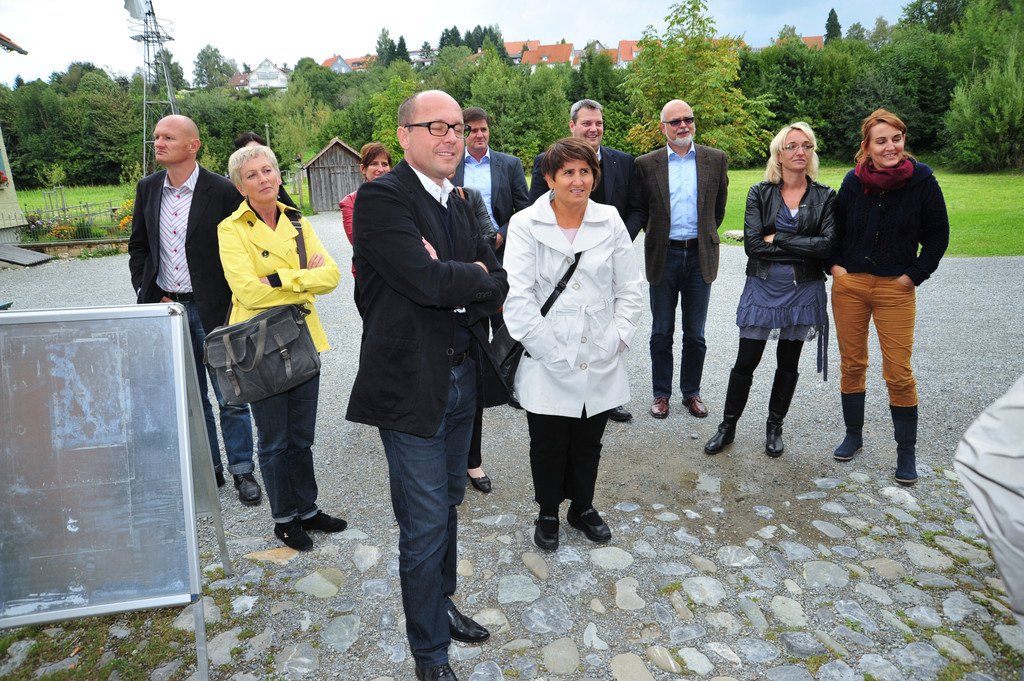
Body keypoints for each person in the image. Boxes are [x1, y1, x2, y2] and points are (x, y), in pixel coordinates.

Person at [346, 90, 508, 681]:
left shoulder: (459, 202)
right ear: (405, 134)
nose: (451, 137)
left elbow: (497, 282)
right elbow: (427, 281)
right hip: (410, 386)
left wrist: (462, 275)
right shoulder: (382, 198)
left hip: (462, 375)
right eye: (436, 126)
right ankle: (430, 655)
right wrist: (469, 275)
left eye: (457, 127)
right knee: (423, 522)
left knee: (450, 503)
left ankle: (441, 604)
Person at [505, 137, 643, 552]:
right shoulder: (525, 224)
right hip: (545, 350)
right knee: (547, 442)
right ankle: (548, 511)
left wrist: (618, 337)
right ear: (549, 178)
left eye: (585, 171)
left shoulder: (610, 219)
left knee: (588, 441)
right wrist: (548, 351)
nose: (578, 180)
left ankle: (582, 507)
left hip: (600, 346)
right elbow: (518, 298)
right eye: (568, 172)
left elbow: (630, 288)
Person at [128, 114, 262, 507]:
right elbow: (139, 246)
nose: (158, 143)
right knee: (191, 398)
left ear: (193, 145)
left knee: (230, 394)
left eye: (168, 137)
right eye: (156, 137)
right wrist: (149, 292)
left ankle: (243, 471)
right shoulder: (148, 188)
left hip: (214, 309)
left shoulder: (221, 191)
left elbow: (245, 246)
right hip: (167, 310)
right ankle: (209, 468)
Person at [218, 144, 346, 551]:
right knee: (274, 439)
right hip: (260, 347)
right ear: (241, 186)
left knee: (302, 437)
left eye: (268, 170)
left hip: (303, 338)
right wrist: (300, 281)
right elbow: (247, 292)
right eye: (252, 175)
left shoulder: (296, 220)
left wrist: (276, 279)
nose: (263, 179)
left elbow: (332, 277)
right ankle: (285, 519)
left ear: (278, 175)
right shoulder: (230, 229)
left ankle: (307, 509)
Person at [829, 109, 949, 485]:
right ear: (866, 147)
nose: (890, 147)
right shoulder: (853, 182)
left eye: (896, 139)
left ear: (903, 140)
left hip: (895, 289)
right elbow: (834, 228)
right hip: (850, 286)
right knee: (852, 364)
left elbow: (938, 234)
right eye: (881, 141)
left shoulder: (922, 180)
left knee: (898, 372)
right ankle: (853, 435)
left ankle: (905, 451)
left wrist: (913, 275)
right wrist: (834, 266)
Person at [704, 122, 836, 457]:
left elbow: (826, 246)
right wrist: (802, 246)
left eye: (806, 145)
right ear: (779, 154)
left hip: (803, 290)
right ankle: (727, 427)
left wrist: (778, 237)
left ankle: (775, 427)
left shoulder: (825, 196)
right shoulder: (759, 193)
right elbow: (753, 247)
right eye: (792, 146)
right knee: (746, 361)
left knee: (788, 362)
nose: (800, 152)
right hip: (763, 287)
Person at [529, 99, 646, 423]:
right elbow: (534, 209)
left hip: (607, 262)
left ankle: (604, 399)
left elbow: (637, 209)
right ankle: (560, 392)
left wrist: (616, 243)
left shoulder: (624, 161)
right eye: (586, 123)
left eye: (598, 123)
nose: (594, 129)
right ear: (572, 126)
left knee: (606, 323)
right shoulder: (546, 162)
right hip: (561, 266)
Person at [636, 99, 728, 421]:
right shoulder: (646, 164)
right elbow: (643, 211)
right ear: (663, 127)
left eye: (687, 119)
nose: (683, 125)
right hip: (664, 255)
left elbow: (718, 209)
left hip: (701, 255)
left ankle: (691, 392)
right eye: (675, 121)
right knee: (661, 331)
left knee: (695, 333)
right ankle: (661, 393)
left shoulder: (715, 159)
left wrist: (702, 236)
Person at [453, 106, 527, 493]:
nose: (478, 135)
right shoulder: (440, 176)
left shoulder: (501, 170)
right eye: (471, 130)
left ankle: (504, 383)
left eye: (483, 129)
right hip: (451, 285)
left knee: (504, 331)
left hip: (496, 262)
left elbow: (521, 207)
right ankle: (448, 462)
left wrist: (495, 240)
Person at [339, 142, 392, 314]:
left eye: (385, 164)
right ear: (363, 168)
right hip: (368, 276)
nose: (380, 169)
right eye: (374, 164)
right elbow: (358, 240)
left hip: (402, 275)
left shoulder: (402, 198)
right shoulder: (350, 202)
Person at [233, 132, 297, 209]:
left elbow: (291, 207)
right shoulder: (233, 194)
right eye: (252, 175)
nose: (263, 179)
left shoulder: (273, 181)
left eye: (260, 150)